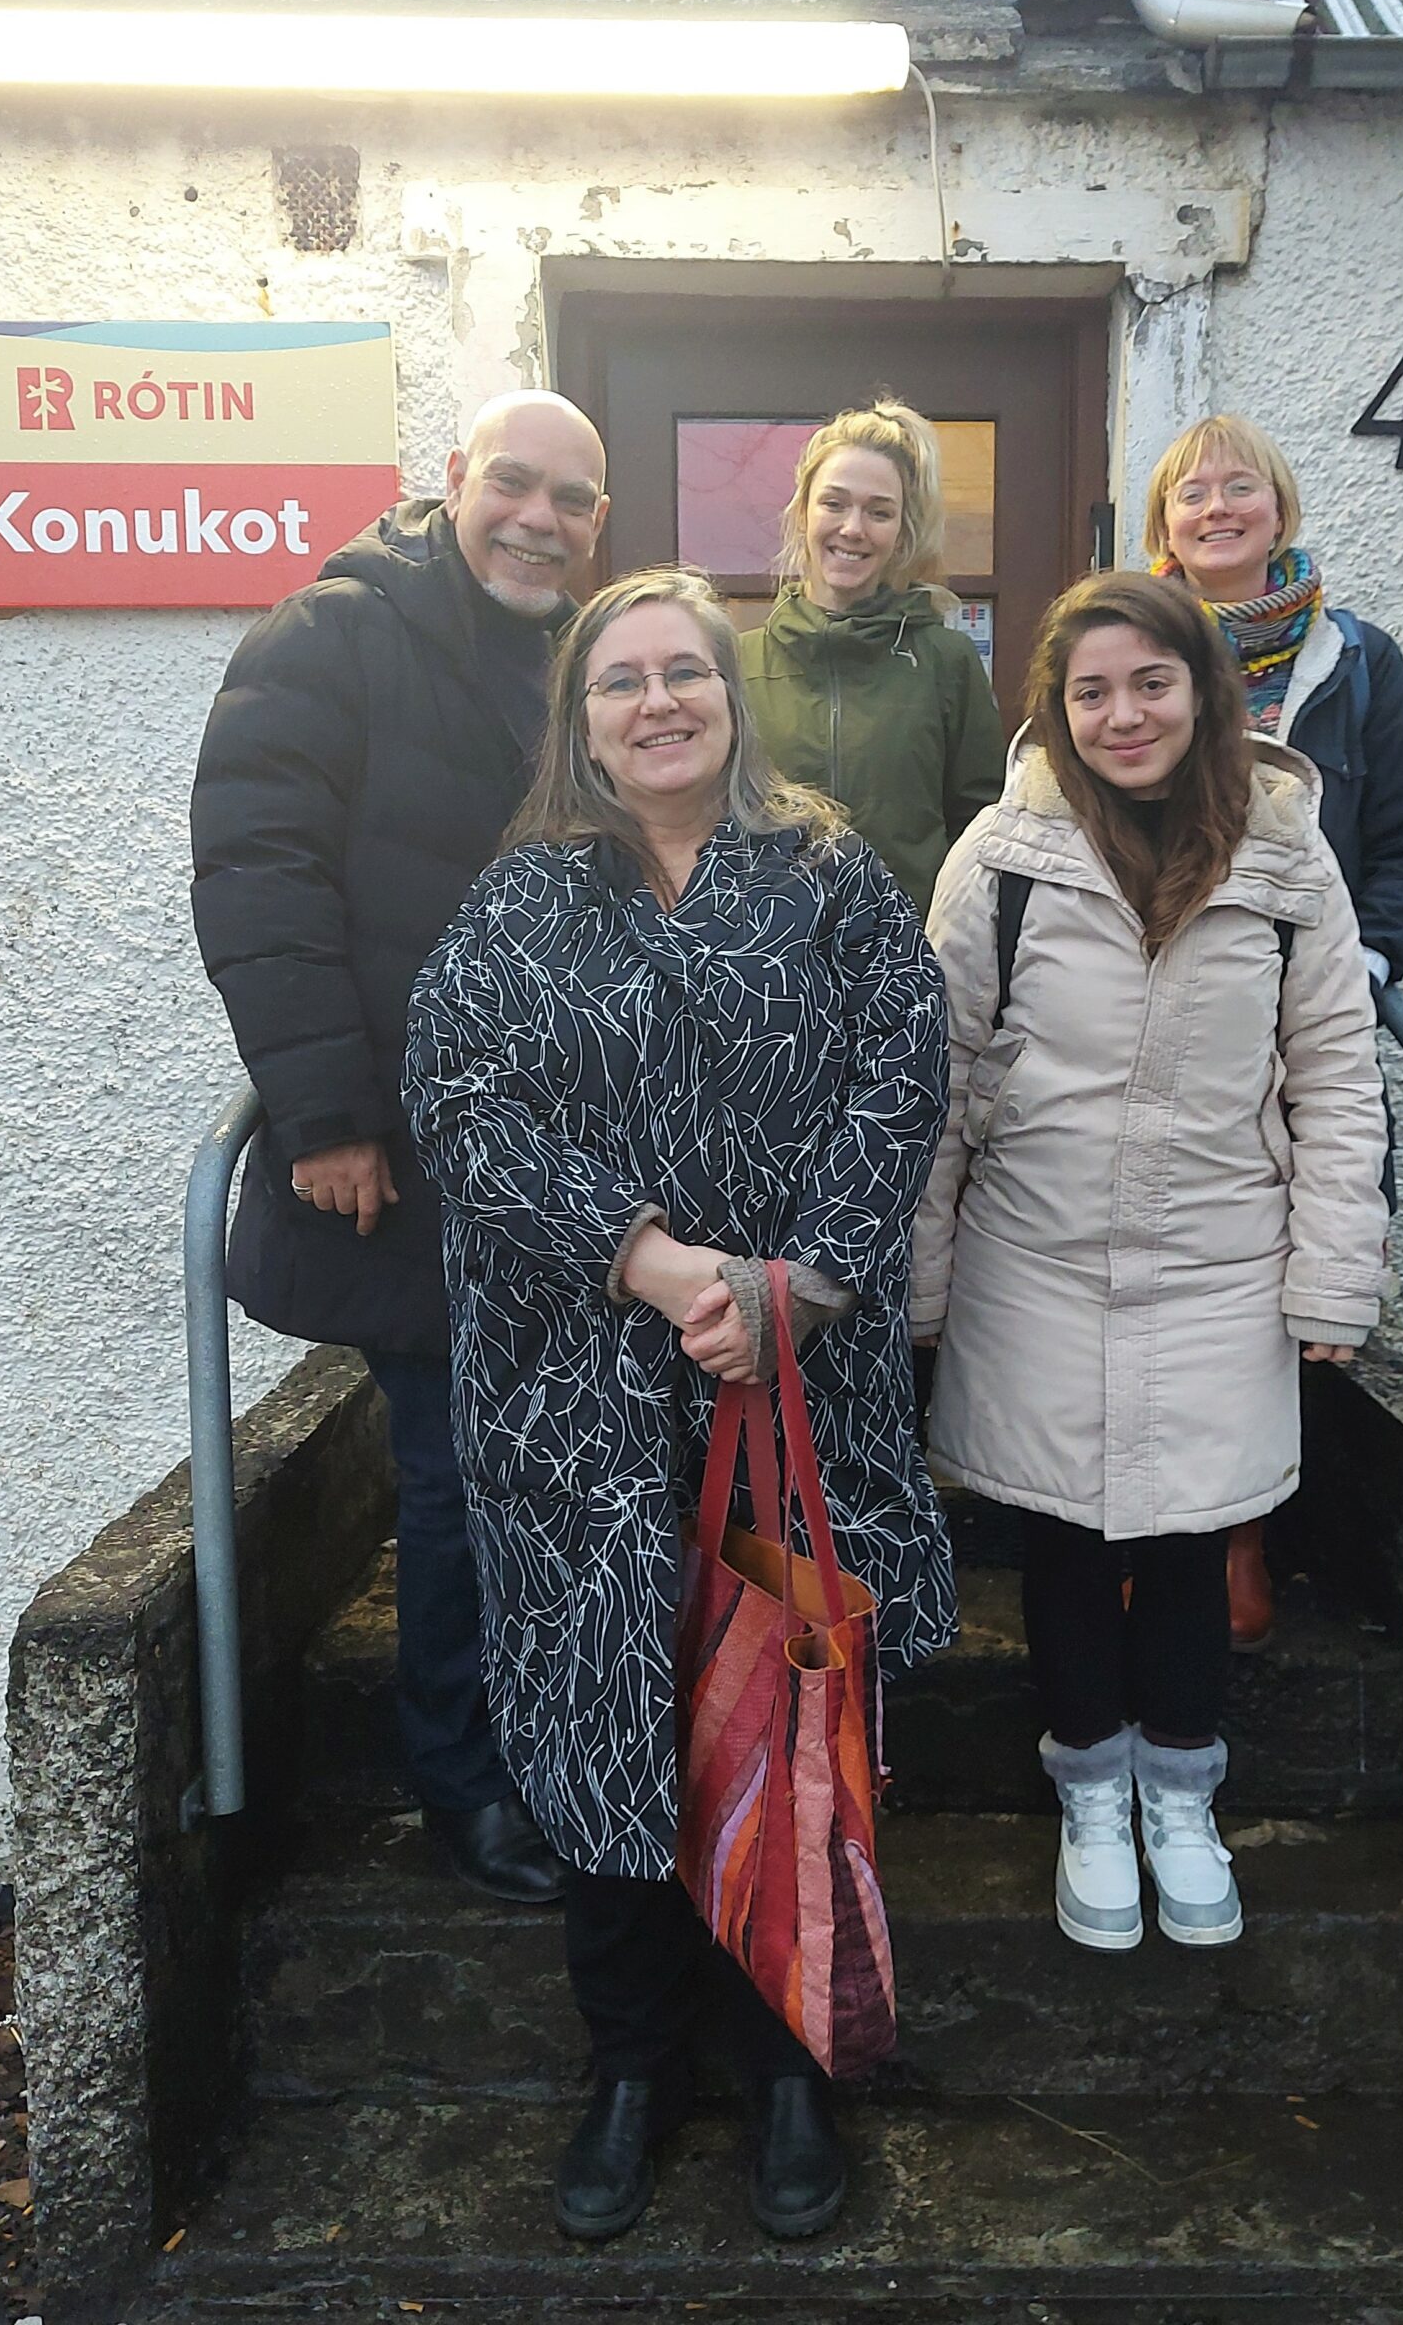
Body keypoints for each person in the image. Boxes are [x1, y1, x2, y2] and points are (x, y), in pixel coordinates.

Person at [401, 567, 957, 2243]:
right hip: (579, 1399)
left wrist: (803, 1285)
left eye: (685, 672)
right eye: (621, 679)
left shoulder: (830, 876)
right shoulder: (518, 903)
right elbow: (458, 1104)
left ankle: (787, 2065)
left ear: (731, 694)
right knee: (601, 1718)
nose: (657, 702)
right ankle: (631, 2067)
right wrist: (645, 1262)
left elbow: (902, 1077)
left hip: (792, 1388)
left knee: (779, 1717)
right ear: (581, 720)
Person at [912, 570, 1387, 1957]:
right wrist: (920, 1277)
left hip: (1219, 1256)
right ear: (1055, 710)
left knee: (1189, 1537)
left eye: (1150, 684)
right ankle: (1087, 1792)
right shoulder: (1001, 857)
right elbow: (934, 1079)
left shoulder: (1287, 855)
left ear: (1201, 690)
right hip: (1036, 1254)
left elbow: (1335, 1074)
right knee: (1062, 1536)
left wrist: (1331, 1273)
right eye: (1090, 692)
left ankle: (1179, 1794)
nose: (1122, 715)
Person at [191, 390, 610, 1906]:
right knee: (454, 1479)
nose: (539, 519)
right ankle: (465, 1780)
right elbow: (258, 871)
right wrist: (324, 1116)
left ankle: (553, 1743)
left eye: (572, 499)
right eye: (515, 483)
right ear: (451, 481)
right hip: (403, 1160)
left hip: (554, 1169)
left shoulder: (573, 657)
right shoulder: (332, 632)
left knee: (544, 1474)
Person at [1144, 412, 1403, 1645]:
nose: (1216, 508)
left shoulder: (1358, 661)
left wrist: (1362, 962)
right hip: (1161, 1010)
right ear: (1163, 522)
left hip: (1305, 1027)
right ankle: (1149, 1530)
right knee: (1157, 1264)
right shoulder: (1131, 642)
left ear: (1279, 508)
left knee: (1286, 1276)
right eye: (1191, 492)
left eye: (1240, 487)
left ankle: (1245, 1536)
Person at [740, 397, 1006, 922]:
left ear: (902, 531)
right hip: (768, 956)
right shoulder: (739, 663)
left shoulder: (945, 661)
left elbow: (982, 832)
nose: (853, 528)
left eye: (879, 512)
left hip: (910, 952)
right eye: (834, 503)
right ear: (802, 512)